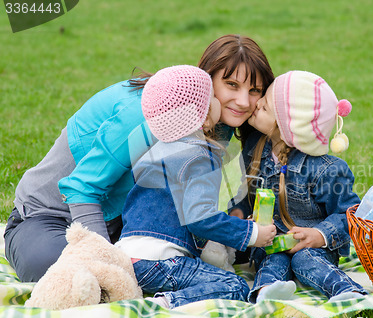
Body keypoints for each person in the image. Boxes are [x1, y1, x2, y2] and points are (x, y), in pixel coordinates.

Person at [4, 34, 274, 282]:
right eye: (231, 85)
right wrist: (109, 263)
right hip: (52, 216)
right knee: (62, 272)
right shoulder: (153, 111)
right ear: (207, 76)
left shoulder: (217, 121)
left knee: (235, 249)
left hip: (126, 224)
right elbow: (81, 188)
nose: (243, 101)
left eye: (254, 91)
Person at [115, 65, 276, 308]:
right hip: (161, 261)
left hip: (127, 258)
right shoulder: (200, 156)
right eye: (212, 97)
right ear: (202, 111)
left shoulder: (158, 148)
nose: (217, 102)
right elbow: (200, 218)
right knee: (236, 286)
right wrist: (252, 233)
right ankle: (166, 304)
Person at [229, 71, 368, 303]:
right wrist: (240, 219)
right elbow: (245, 195)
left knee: (305, 260)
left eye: (264, 107)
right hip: (271, 241)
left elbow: (351, 214)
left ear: (286, 128)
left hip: (313, 246)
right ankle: (265, 293)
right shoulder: (254, 149)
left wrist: (319, 235)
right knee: (272, 259)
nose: (256, 104)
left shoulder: (325, 170)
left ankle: (347, 291)